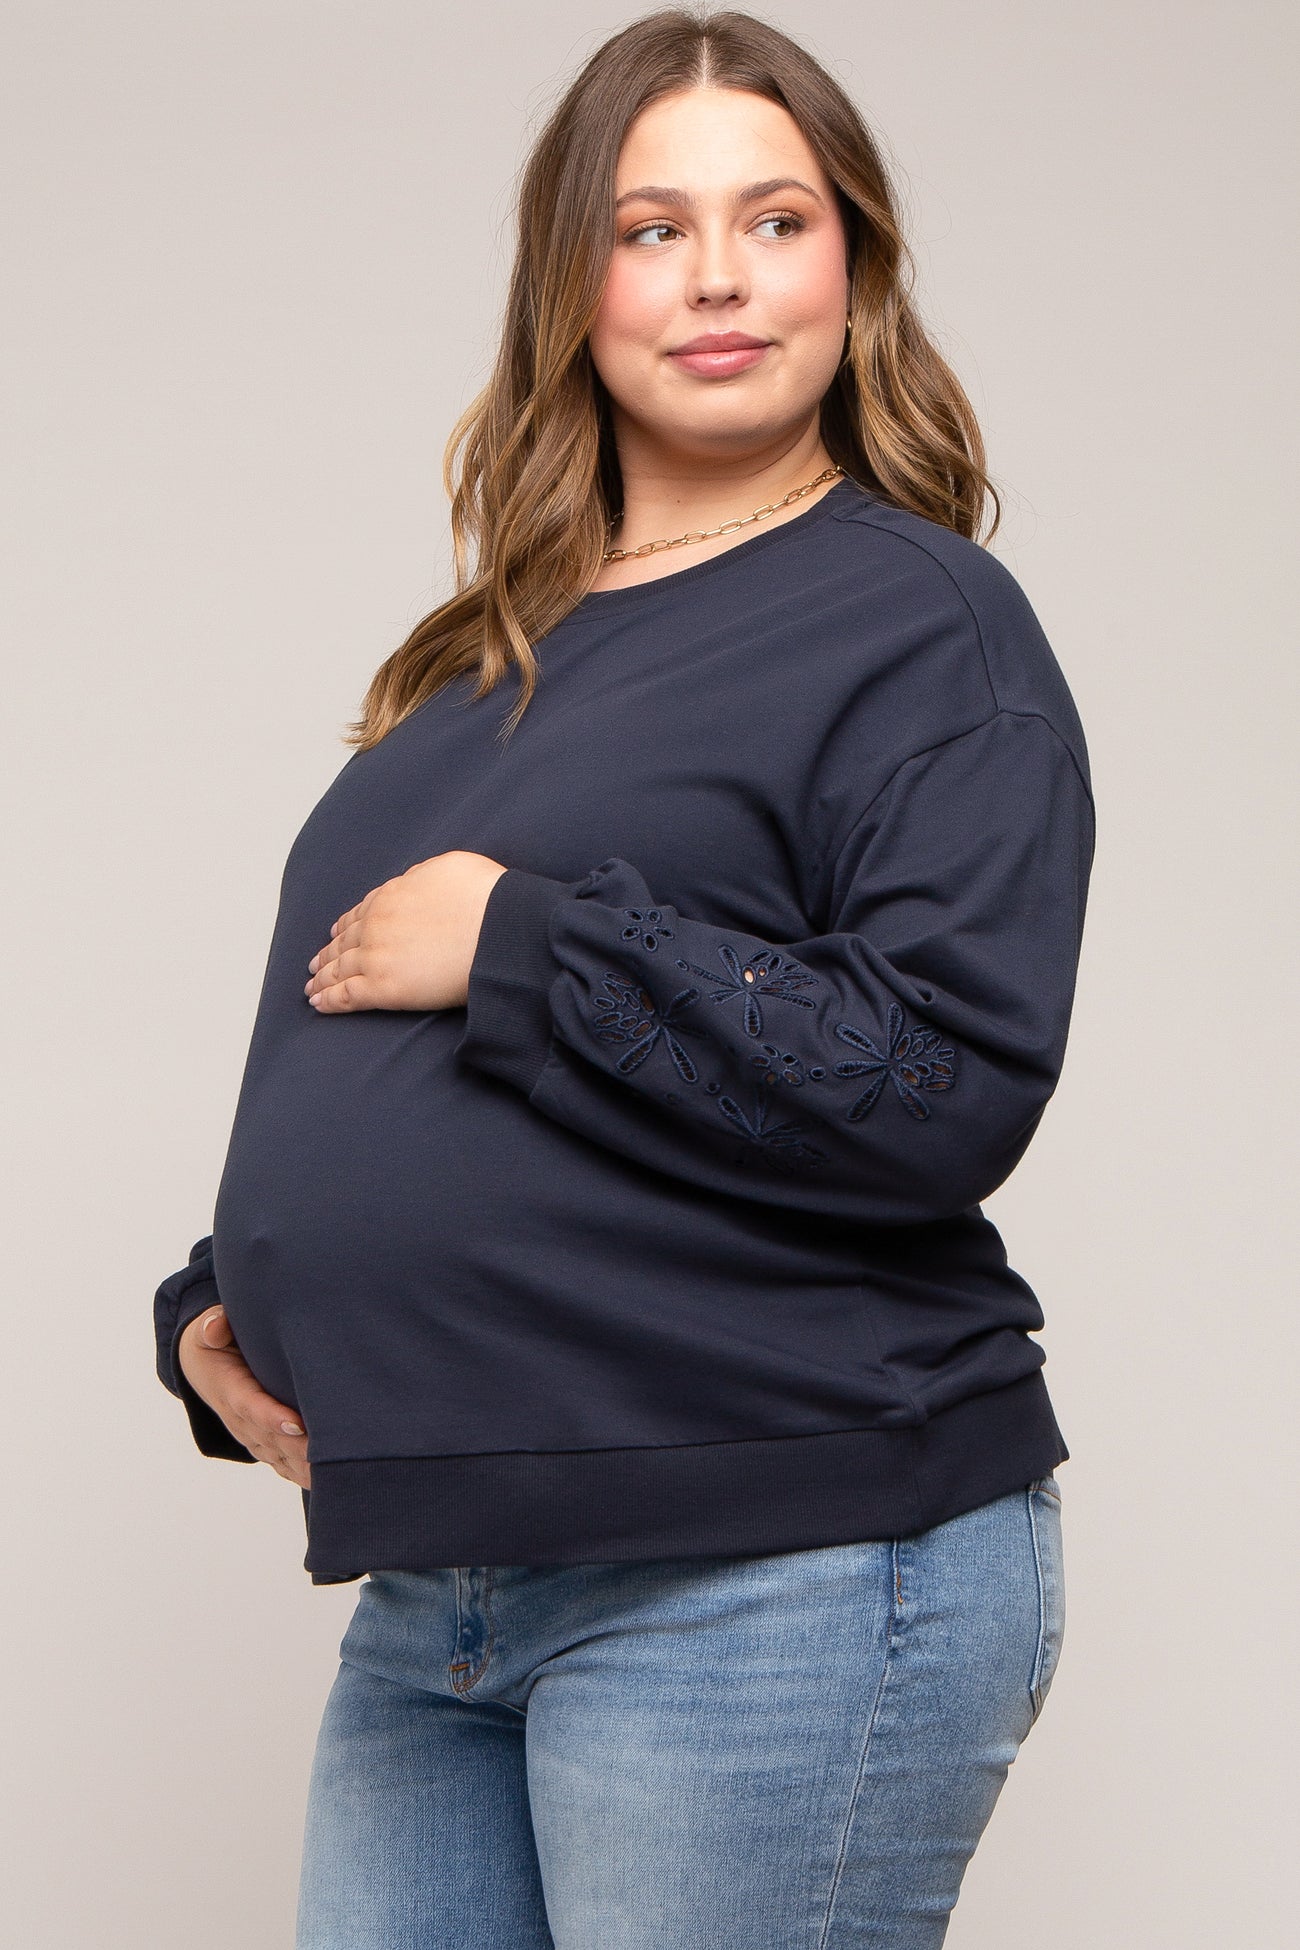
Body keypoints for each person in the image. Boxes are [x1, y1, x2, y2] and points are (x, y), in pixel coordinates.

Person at [152, 10, 1092, 1945]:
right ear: (570, 285)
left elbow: (942, 1083)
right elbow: (357, 1053)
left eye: (778, 219)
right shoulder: (478, 660)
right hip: (447, 1578)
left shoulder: (923, 622)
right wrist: (227, 1296)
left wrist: (528, 935)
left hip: (774, 1559)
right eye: (653, 228)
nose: (721, 275)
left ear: (855, 266)